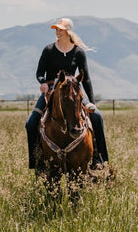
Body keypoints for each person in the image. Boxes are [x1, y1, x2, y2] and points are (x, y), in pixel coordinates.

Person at [25, 17, 109, 170]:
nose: (57, 32)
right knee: (30, 123)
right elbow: (39, 73)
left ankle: (100, 158)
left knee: (97, 116)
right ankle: (37, 161)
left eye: (60, 30)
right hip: (51, 92)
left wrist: (92, 102)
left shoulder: (78, 52)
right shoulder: (48, 50)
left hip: (74, 94)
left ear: (68, 31)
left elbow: (87, 79)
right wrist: (43, 82)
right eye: (56, 29)